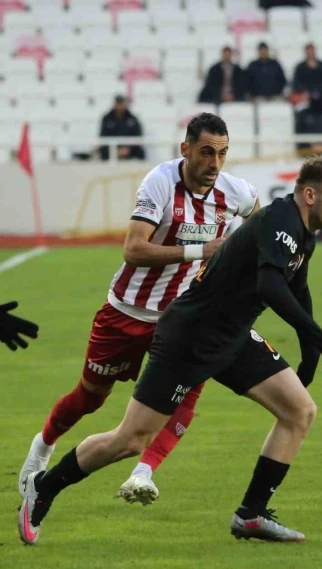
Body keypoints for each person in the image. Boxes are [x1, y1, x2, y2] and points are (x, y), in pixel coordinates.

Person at [18, 155, 322, 545]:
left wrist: (311, 355)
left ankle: (250, 515)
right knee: (130, 440)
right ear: (311, 195)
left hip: (232, 335)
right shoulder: (280, 221)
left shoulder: (302, 232)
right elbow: (270, 286)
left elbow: (298, 287)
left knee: (299, 410)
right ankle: (43, 487)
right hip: (190, 336)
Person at [18, 113, 260, 508]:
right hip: (127, 313)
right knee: (90, 397)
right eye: (206, 153)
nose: (215, 163)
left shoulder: (236, 192)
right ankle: (41, 449)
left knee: (185, 397)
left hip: (182, 319)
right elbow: (133, 248)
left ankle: (142, 474)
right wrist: (204, 251)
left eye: (222, 154)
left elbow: (256, 218)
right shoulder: (160, 182)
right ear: (185, 150)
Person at [99, 95, 146, 161]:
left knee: (140, 152)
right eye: (118, 103)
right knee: (103, 151)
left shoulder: (132, 119)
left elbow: (138, 136)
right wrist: (117, 151)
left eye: (121, 103)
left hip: (130, 150)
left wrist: (128, 149)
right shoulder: (107, 119)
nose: (120, 106)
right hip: (111, 150)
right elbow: (103, 137)